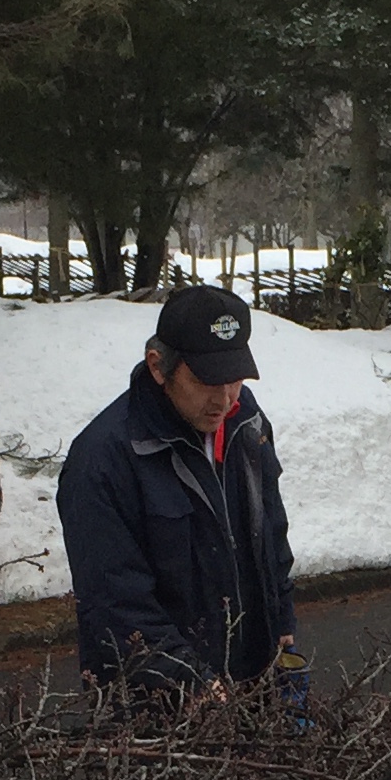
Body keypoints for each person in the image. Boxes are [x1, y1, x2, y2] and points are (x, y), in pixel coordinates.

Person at [57, 284, 298, 701]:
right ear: (158, 367)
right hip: (156, 708)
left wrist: (282, 625)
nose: (225, 399)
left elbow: (270, 534)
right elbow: (114, 601)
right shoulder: (104, 459)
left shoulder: (248, 425)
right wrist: (191, 682)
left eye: (235, 377)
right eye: (207, 380)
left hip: (253, 686)